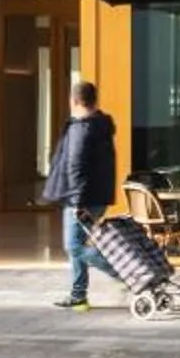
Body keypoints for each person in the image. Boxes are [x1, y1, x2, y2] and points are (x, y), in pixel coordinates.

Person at [42, 78, 119, 310]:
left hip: (82, 198)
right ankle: (78, 295)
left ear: (74, 100)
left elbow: (75, 166)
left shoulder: (81, 128)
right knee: (78, 243)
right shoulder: (100, 124)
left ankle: (124, 275)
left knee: (73, 246)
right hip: (97, 195)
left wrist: (76, 201)